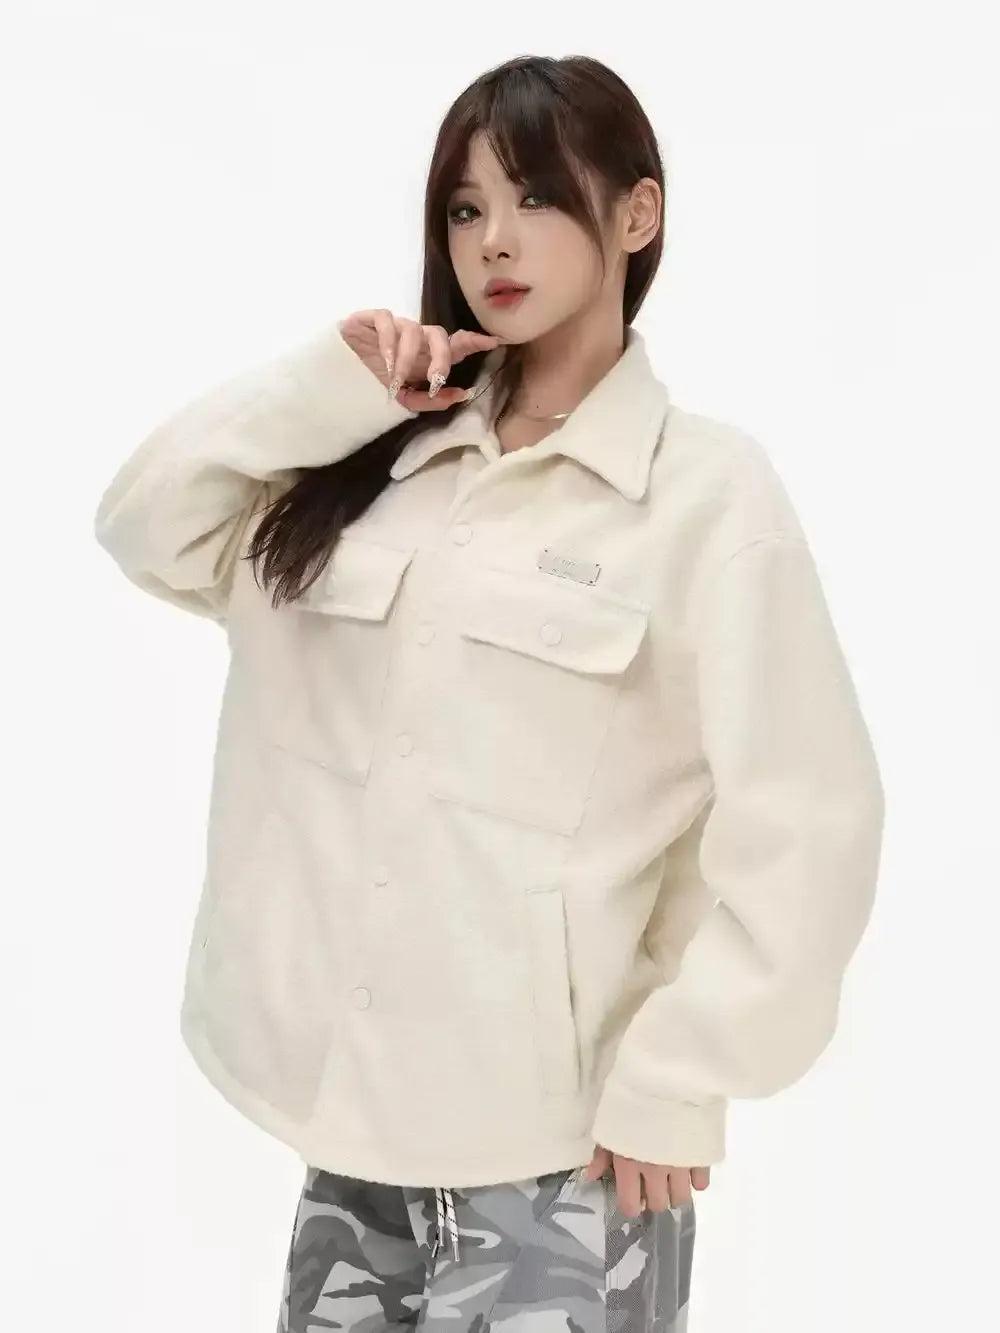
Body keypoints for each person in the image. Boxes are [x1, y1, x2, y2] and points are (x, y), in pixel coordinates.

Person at [93, 53, 884, 1333]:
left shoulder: (706, 498)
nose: (492, 241)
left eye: (534, 198)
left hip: (568, 1159)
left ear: (637, 213)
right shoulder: (376, 455)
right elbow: (147, 526)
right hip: (353, 1136)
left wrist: (682, 1073)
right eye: (464, 208)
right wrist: (331, 385)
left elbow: (809, 824)